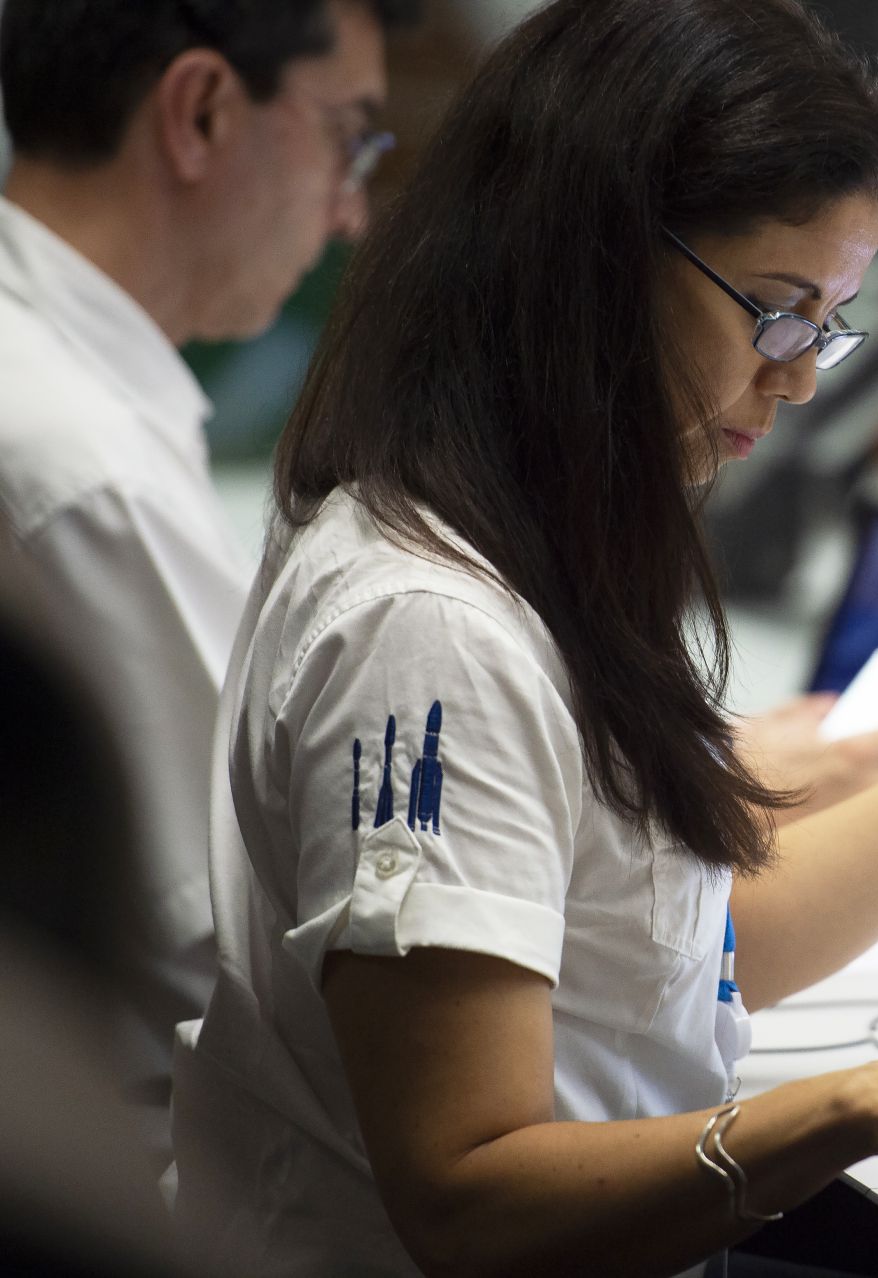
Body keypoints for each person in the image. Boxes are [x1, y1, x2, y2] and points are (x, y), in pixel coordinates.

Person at [169, 2, 878, 1275]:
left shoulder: (537, 538)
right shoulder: (434, 629)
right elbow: (467, 1197)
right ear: (588, 259)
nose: (799, 377)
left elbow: (679, 953)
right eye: (777, 312)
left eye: (828, 325)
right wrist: (845, 1107)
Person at [0, 0, 419, 1151]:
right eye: (349, 139)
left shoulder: (66, 385)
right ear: (199, 112)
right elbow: (247, 928)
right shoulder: (79, 464)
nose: (351, 212)